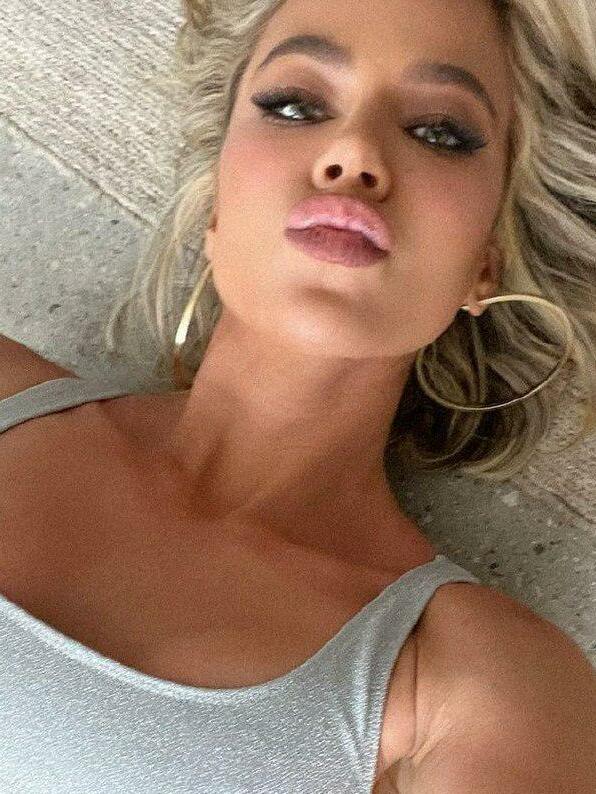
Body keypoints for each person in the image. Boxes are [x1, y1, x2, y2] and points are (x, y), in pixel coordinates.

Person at [0, 0, 594, 791]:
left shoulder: (484, 688)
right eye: (294, 106)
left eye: (439, 132)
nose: (354, 153)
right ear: (215, 199)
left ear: (486, 260)